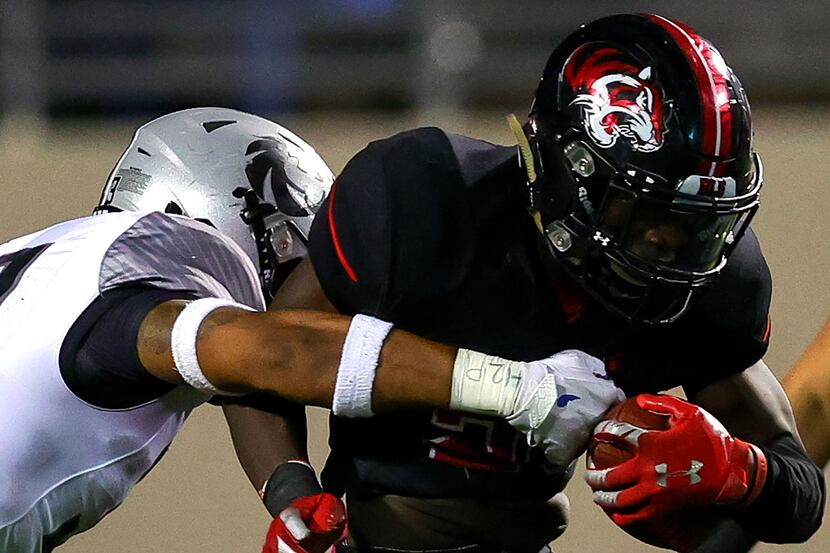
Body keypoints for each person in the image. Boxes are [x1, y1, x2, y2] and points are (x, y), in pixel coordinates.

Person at [240, 13, 823, 553]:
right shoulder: (424, 204)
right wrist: (292, 493)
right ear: (574, 175)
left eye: (695, 225)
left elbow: (799, 488)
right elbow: (260, 356)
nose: (671, 247)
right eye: (649, 217)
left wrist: (738, 473)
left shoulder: (710, 289)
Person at [0, 107, 623, 553]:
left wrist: (293, 493)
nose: (313, 294)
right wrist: (520, 389)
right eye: (305, 257)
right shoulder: (180, 250)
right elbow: (273, 349)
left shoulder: (55, 257)